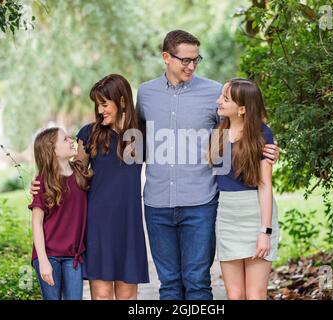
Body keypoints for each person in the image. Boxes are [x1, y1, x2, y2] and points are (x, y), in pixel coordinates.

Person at [136, 30, 280, 300]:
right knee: (168, 286)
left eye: (196, 59)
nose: (191, 66)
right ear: (166, 57)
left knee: (198, 283)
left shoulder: (215, 92)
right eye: (185, 60)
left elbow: (242, 129)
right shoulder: (145, 95)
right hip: (156, 203)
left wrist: (268, 150)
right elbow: (136, 140)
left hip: (201, 202)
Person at [31, 74, 149, 300]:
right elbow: (72, 171)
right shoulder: (90, 133)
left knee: (127, 296)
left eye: (105, 104)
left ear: (122, 102)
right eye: (98, 104)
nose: (100, 109)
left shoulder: (142, 134)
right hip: (98, 225)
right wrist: (41, 180)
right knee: (102, 295)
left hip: (129, 223)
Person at [210, 78, 279, 300]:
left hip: (255, 214)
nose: (218, 101)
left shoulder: (262, 134)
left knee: (255, 294)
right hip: (227, 216)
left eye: (225, 98)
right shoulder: (218, 133)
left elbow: (265, 185)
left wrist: (264, 232)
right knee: (235, 294)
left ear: (242, 109)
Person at [29, 127, 91, 300]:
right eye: (65, 139)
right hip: (49, 255)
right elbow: (37, 223)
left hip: (73, 256)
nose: (71, 140)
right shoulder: (43, 180)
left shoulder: (81, 173)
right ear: (52, 150)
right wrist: (42, 261)